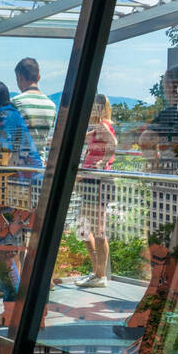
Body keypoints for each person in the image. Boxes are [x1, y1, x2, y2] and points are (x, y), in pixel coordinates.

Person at [76, 94, 118, 288]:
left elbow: (114, 144)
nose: (92, 111)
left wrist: (104, 161)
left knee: (98, 230)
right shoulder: (96, 129)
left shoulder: (102, 126)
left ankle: (100, 275)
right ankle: (96, 272)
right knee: (83, 228)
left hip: (99, 182)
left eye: (94, 108)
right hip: (91, 181)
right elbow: (76, 138)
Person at [11, 57, 58, 161]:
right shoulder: (51, 105)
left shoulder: (16, 102)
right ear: (39, 77)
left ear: (19, 77)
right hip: (40, 165)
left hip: (19, 166)